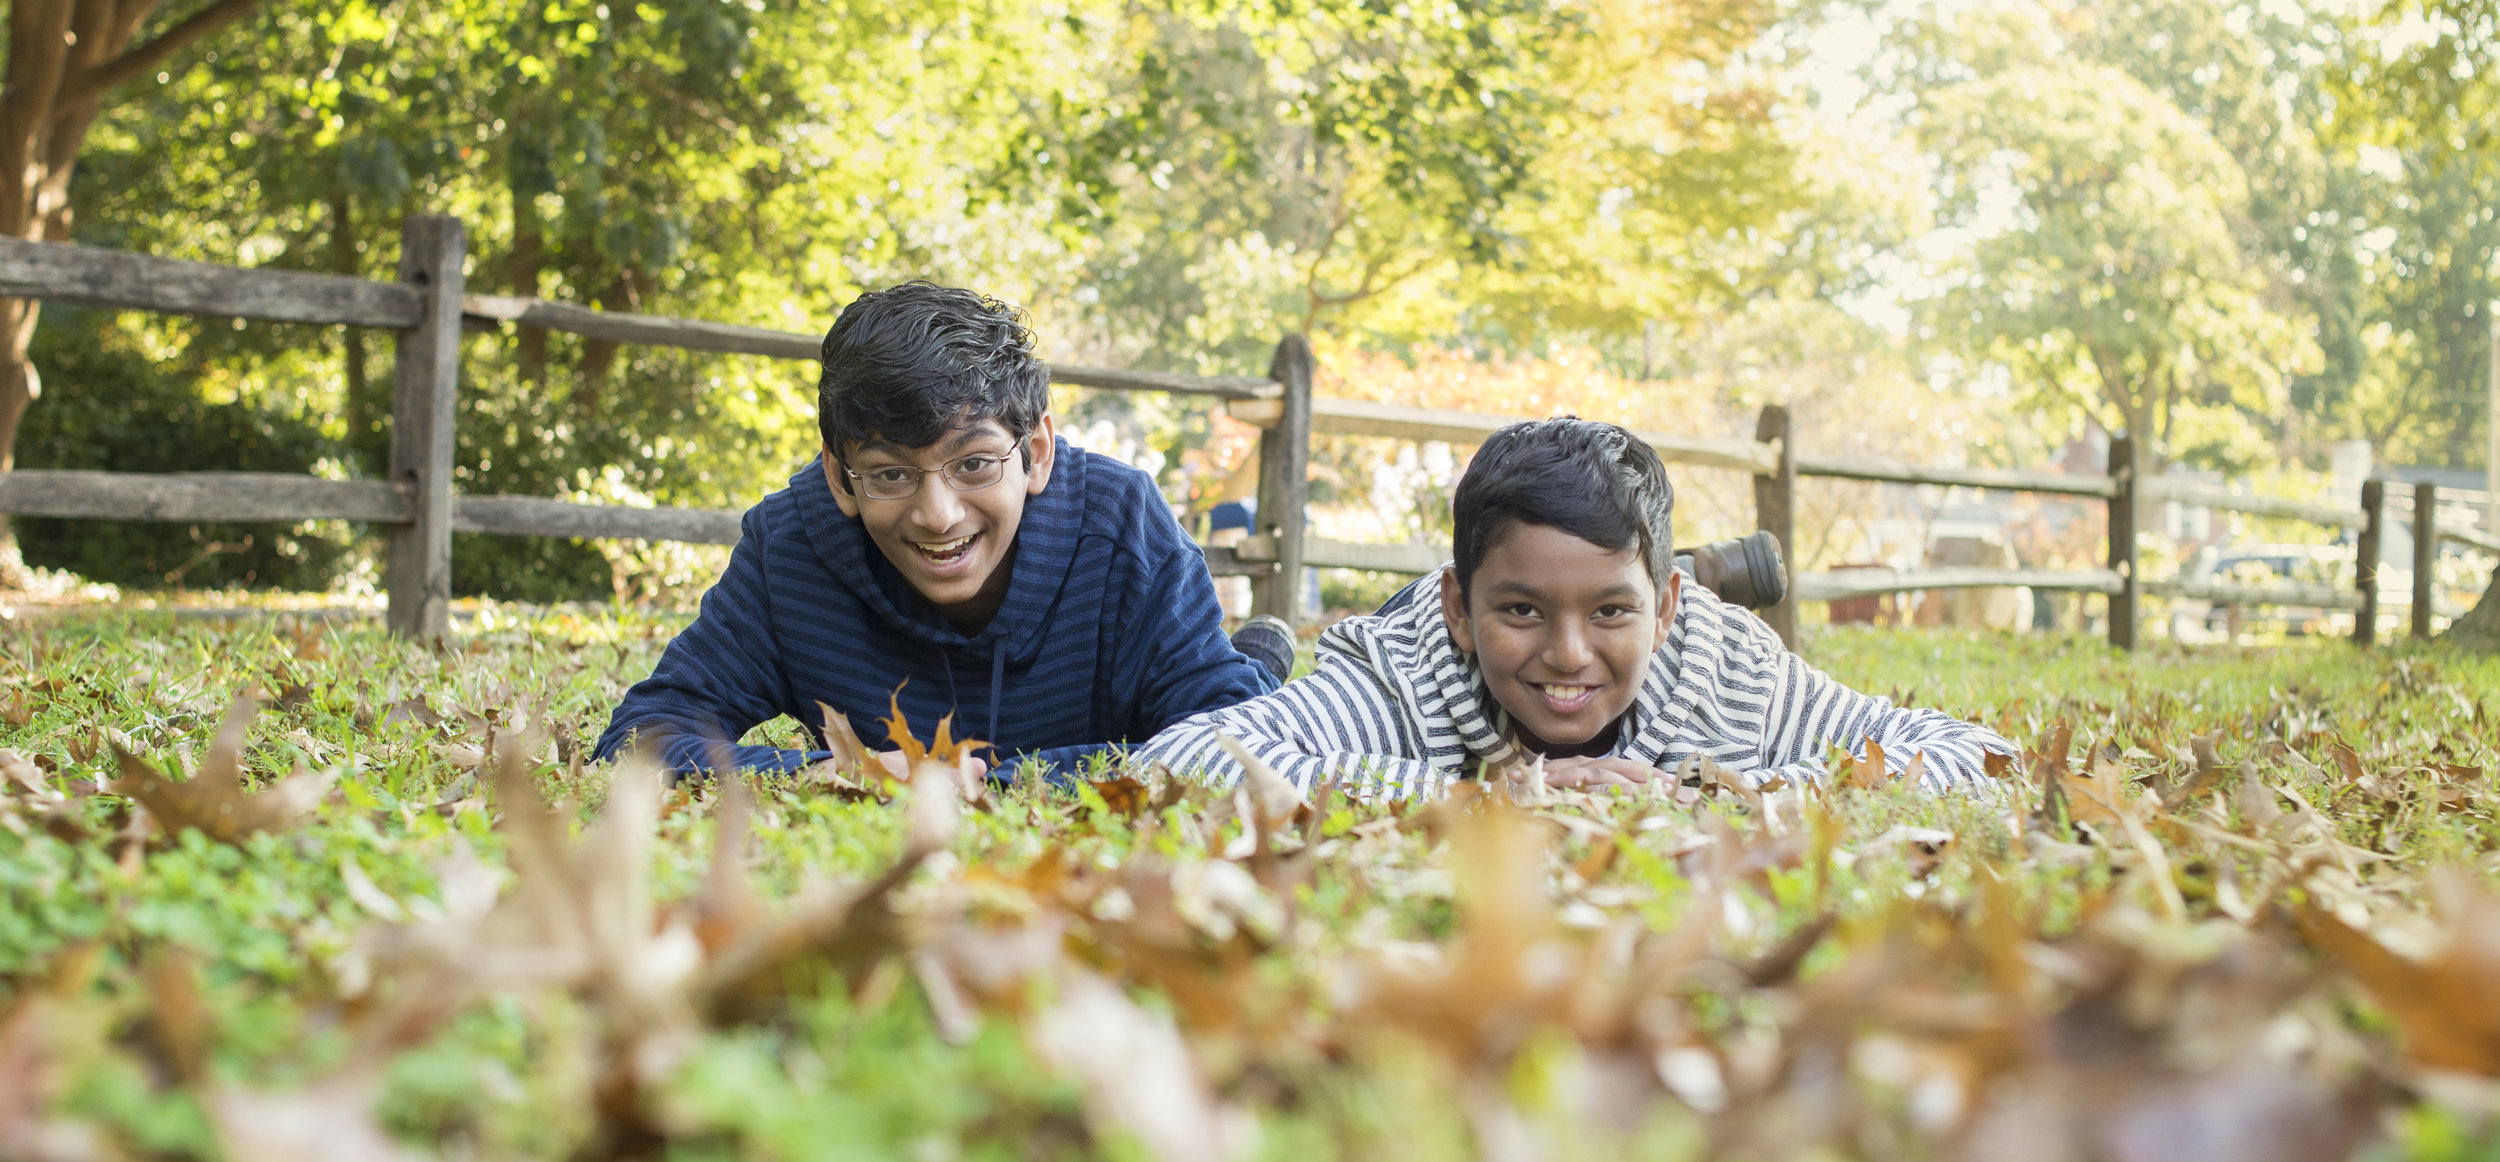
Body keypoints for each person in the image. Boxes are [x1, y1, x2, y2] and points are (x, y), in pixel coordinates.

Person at [594, 282, 1295, 781]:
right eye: (891, 474)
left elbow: (1229, 746)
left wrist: (969, 781)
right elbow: (638, 739)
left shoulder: (1120, 521)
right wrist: (839, 771)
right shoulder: (789, 546)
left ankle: (1257, 660)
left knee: (1255, 696)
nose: (938, 514)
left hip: (1160, 674)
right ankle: (1257, 656)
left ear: (1037, 452)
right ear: (839, 475)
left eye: (975, 464)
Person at [1134, 417, 2014, 797]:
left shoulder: (1725, 667)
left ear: (1668, 609)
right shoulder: (1405, 674)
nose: (1567, 654)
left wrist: (1733, 793)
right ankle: (1263, 660)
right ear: (1457, 606)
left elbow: (1978, 753)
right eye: (1519, 611)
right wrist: (1475, 798)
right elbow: (1177, 758)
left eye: (1610, 613)